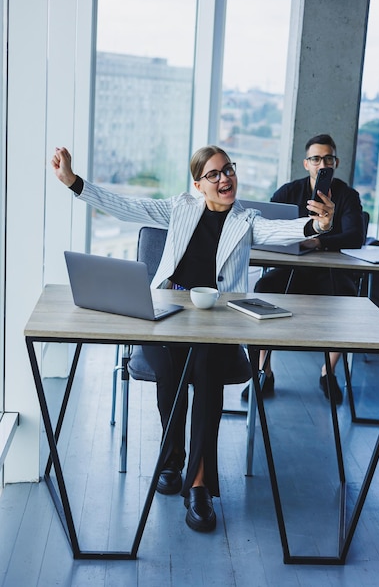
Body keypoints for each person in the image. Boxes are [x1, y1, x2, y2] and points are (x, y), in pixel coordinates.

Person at [51, 144, 335, 533]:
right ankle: (172, 458)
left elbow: (284, 231)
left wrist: (318, 225)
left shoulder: (246, 218)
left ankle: (199, 485)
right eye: (214, 174)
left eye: (229, 170)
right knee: (169, 365)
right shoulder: (180, 207)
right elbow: (127, 206)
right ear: (198, 185)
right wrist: (74, 182)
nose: (225, 179)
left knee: (206, 369)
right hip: (170, 308)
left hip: (219, 319)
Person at [242, 134, 364, 405]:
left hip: (329, 273)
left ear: (336, 162)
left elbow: (356, 236)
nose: (322, 164)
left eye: (328, 159)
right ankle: (265, 370)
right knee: (263, 289)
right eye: (316, 159)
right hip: (290, 270)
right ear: (306, 163)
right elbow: (265, 226)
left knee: (348, 299)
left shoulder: (346, 195)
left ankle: (328, 372)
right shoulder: (288, 191)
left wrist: (318, 240)